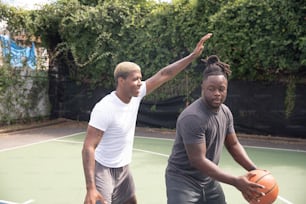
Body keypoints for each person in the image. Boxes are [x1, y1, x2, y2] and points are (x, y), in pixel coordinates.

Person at [82, 33, 213, 204]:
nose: (140, 82)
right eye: (135, 79)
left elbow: (164, 74)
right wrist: (90, 188)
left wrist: (193, 56)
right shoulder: (105, 108)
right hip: (103, 169)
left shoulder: (135, 95)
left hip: (123, 168)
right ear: (121, 81)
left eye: (140, 78)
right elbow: (88, 147)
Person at [165, 55, 265, 204]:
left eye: (221, 89)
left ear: (226, 89)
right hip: (183, 181)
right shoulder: (193, 117)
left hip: (209, 179)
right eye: (211, 89)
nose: (217, 93)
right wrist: (235, 181)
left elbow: (233, 145)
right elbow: (198, 160)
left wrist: (254, 170)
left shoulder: (225, 112)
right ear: (203, 88)